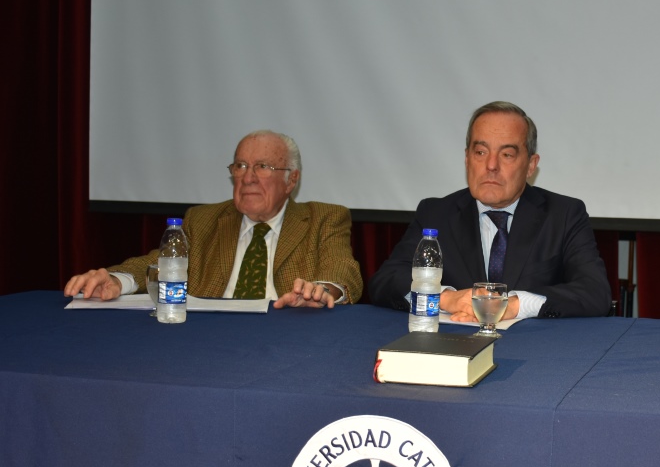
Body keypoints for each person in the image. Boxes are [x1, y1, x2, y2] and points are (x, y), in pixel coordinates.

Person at [368, 101, 611, 320]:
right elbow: (386, 281)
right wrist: (447, 299)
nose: (491, 165)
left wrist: (514, 305)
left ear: (530, 166)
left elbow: (595, 291)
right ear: (467, 158)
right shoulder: (436, 212)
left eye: (506, 155)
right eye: (481, 152)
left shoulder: (564, 214)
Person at [64, 130, 363, 308]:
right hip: (209, 341)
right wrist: (118, 279)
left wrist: (324, 291)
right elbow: (159, 263)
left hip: (287, 339)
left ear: (291, 179)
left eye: (262, 167)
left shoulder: (323, 218)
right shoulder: (204, 219)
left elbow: (342, 271)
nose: (248, 178)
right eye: (241, 166)